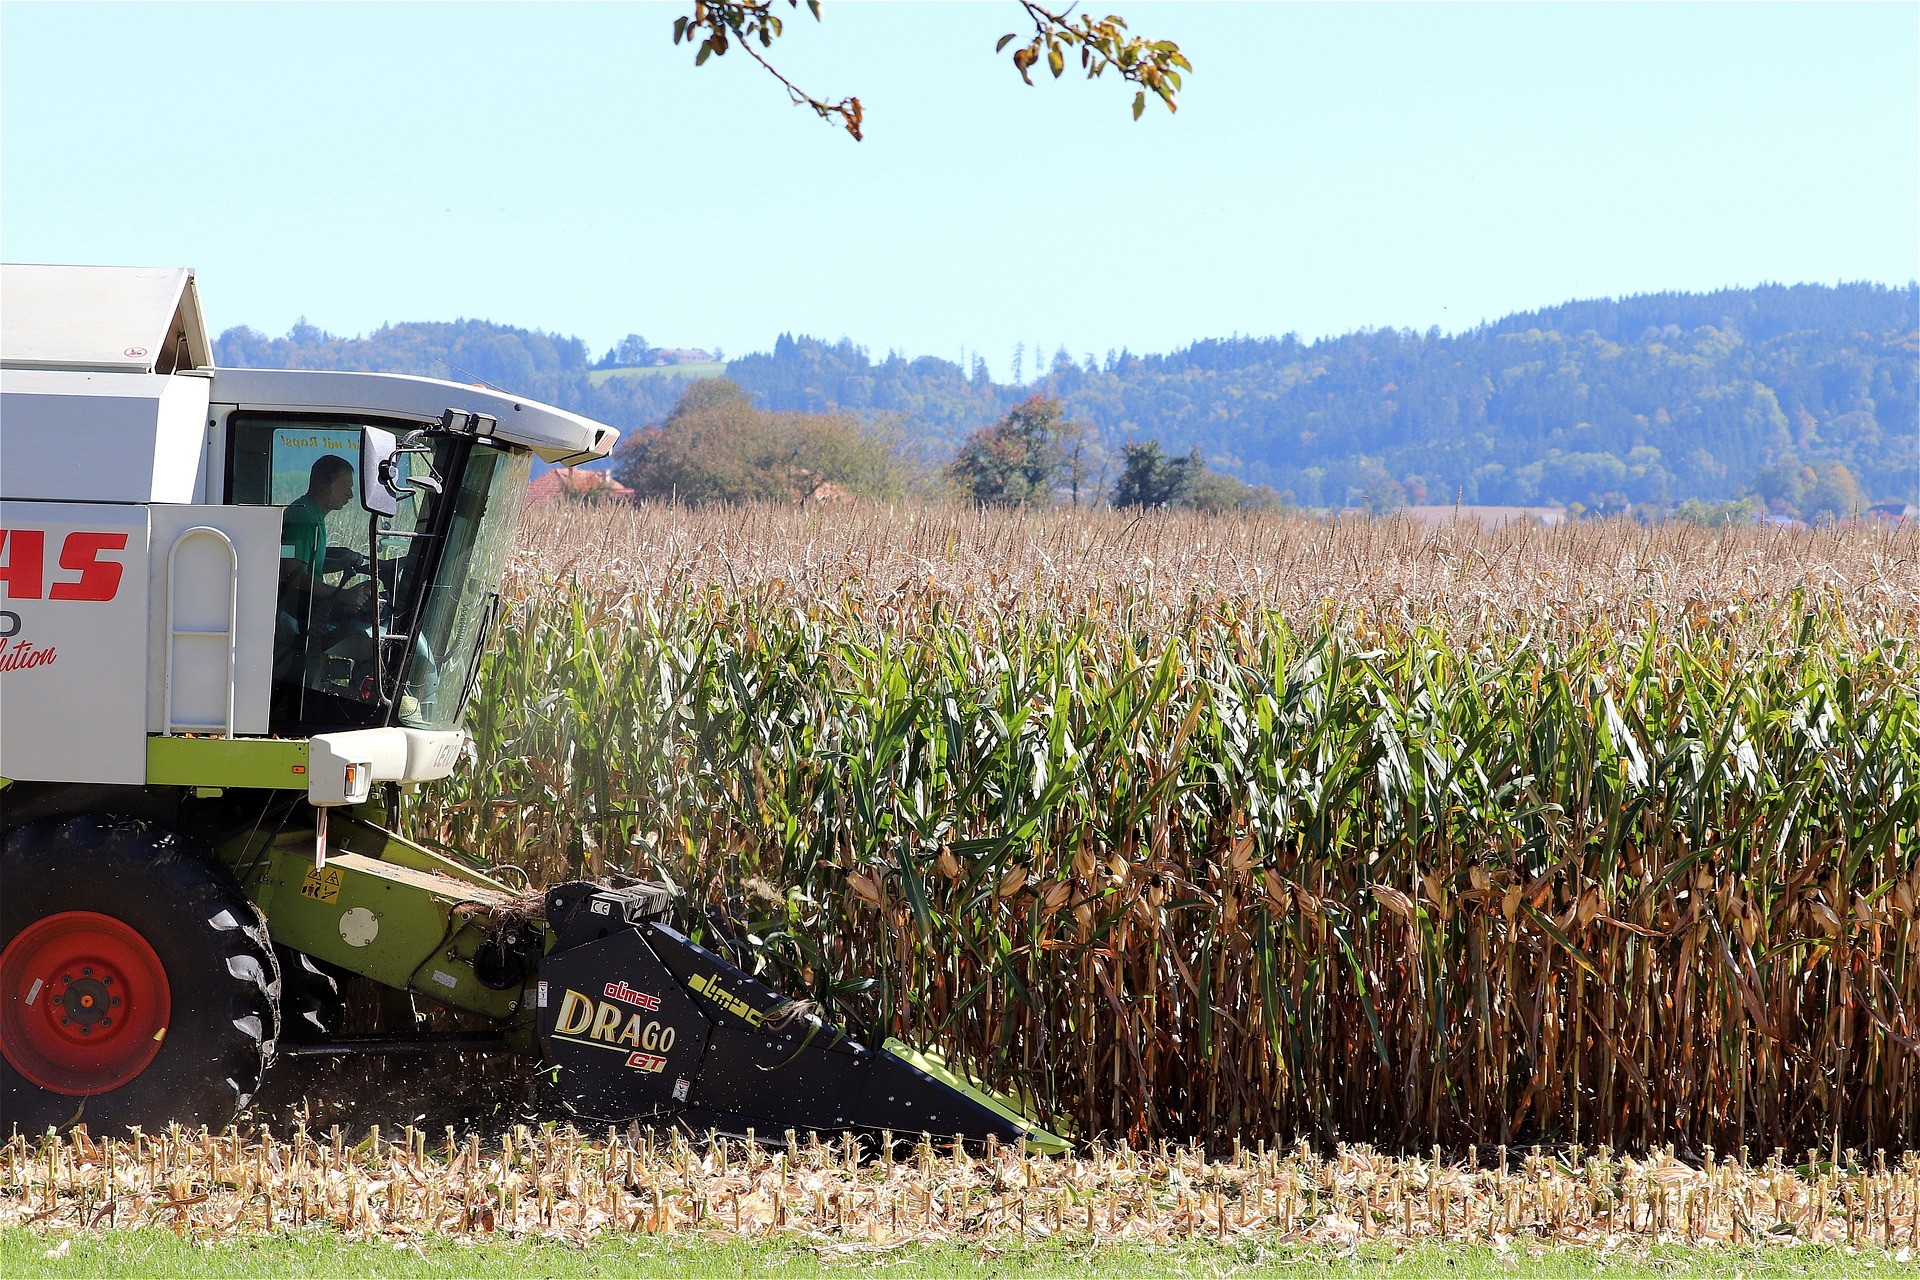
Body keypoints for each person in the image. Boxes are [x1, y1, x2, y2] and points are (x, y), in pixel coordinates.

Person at [276, 455, 371, 683]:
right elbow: (294, 576)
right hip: (291, 620)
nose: (350, 495)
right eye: (345, 487)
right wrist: (341, 596)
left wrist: (340, 561)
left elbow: (307, 562)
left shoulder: (313, 516)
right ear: (325, 484)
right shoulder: (302, 520)